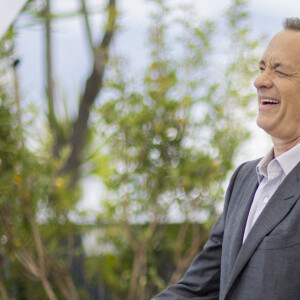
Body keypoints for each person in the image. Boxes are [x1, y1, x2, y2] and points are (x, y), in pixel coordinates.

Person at [152, 17, 300, 300]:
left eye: (279, 72)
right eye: (261, 68)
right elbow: (200, 288)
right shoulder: (244, 179)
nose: (259, 81)